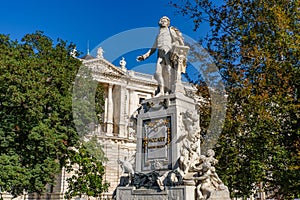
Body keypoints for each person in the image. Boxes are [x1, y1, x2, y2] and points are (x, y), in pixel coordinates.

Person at [137, 16, 184, 96]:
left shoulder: (170, 31)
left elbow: (178, 41)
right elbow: (153, 48)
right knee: (158, 73)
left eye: (165, 21)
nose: (163, 22)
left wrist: (178, 45)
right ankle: (161, 91)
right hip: (160, 55)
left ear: (168, 23)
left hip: (168, 53)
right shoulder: (158, 35)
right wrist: (144, 56)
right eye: (161, 20)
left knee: (168, 72)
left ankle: (168, 91)